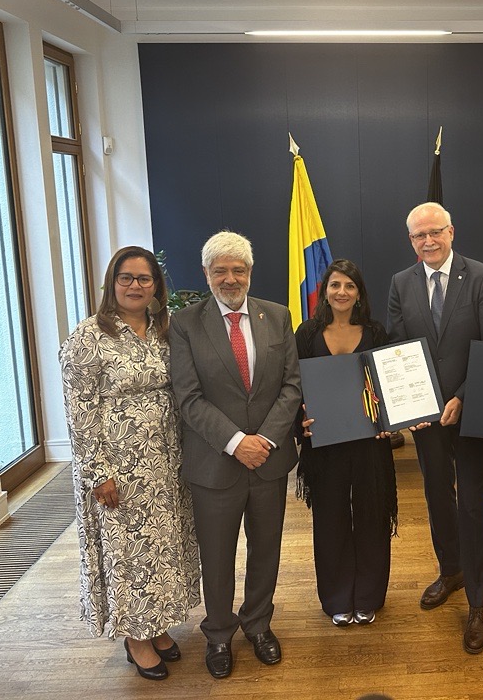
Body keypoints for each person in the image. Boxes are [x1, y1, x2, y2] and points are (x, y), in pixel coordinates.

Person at [59, 246, 200, 682]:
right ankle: (135, 637)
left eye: (144, 278)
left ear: (156, 285)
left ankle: (156, 625)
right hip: (120, 467)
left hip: (167, 459)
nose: (135, 286)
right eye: (126, 278)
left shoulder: (166, 331)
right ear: (111, 283)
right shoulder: (89, 336)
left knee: (161, 548)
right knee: (129, 551)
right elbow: (78, 412)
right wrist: (97, 472)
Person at [169, 231, 302, 679]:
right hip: (214, 463)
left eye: (238, 270)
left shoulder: (277, 316)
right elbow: (188, 398)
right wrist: (235, 442)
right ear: (205, 274)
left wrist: (263, 439)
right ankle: (219, 633)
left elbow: (291, 386)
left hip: (268, 460)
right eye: (220, 270)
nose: (230, 278)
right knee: (218, 555)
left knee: (266, 549)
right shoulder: (185, 324)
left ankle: (258, 624)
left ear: (250, 272)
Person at [386, 202, 483, 654]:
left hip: (471, 410)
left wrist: (462, 395)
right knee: (437, 493)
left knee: (475, 503)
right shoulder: (402, 282)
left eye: (435, 232)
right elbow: (400, 347)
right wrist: (414, 402)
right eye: (419, 236)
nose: (428, 242)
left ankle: (479, 600)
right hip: (424, 415)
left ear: (451, 232)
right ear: (411, 241)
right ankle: (451, 570)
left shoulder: (481, 277)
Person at [294, 259, 398, 626]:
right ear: (325, 291)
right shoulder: (306, 334)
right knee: (330, 518)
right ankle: (338, 597)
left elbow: (387, 386)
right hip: (325, 444)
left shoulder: (375, 331)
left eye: (349, 286)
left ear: (359, 294)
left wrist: (389, 421)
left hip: (369, 443)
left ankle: (368, 595)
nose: (341, 292)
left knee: (371, 516)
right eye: (335, 285)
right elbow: (294, 388)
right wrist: (299, 423)